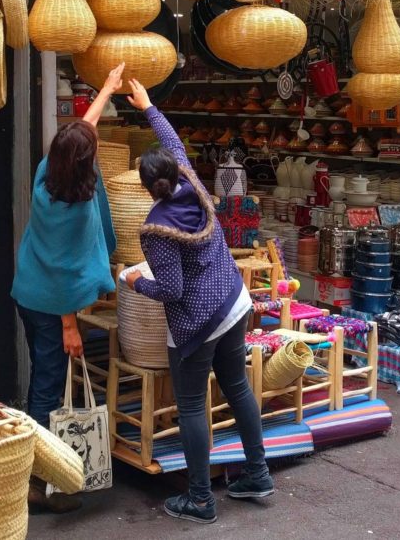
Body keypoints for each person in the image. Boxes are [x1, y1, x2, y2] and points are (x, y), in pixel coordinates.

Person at [123, 78, 272, 525]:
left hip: (198, 323)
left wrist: (133, 282)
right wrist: (149, 106)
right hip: (233, 300)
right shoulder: (192, 185)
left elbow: (171, 291)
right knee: (238, 387)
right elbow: (172, 143)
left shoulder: (156, 229)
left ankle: (201, 499)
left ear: (148, 186)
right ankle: (258, 474)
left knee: (191, 406)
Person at [10, 64, 124, 509]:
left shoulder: (45, 179)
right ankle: (38, 482)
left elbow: (83, 132)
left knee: (44, 376)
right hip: (52, 305)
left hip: (27, 293)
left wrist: (108, 88)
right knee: (47, 388)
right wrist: (70, 326)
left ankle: (36, 466)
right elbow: (63, 275)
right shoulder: (77, 211)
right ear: (85, 166)